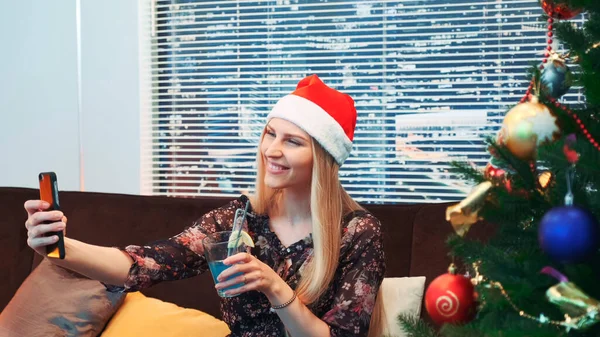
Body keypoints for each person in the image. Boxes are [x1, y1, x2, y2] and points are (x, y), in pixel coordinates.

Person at [24, 74, 386, 337]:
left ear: (322, 159)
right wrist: (59, 247)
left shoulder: (356, 232)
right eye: (270, 134)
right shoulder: (240, 218)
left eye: (293, 142)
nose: (272, 150)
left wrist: (275, 287)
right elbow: (148, 263)